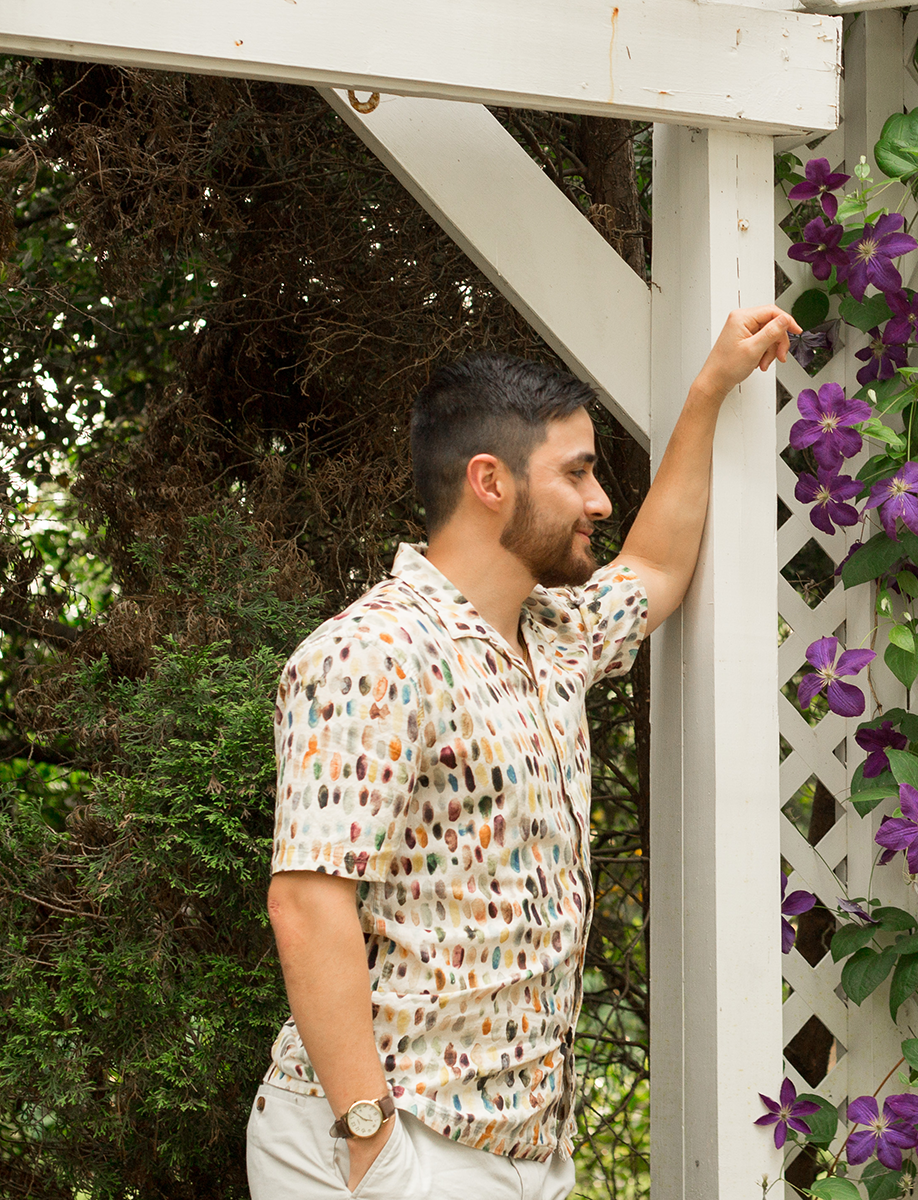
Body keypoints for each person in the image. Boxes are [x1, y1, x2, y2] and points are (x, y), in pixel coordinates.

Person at [245, 306, 800, 1198]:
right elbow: (307, 903)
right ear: (490, 482)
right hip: (398, 1144)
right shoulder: (372, 653)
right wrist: (371, 1145)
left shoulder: (554, 638)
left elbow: (655, 567)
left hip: (518, 1154)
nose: (600, 500)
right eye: (577, 473)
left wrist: (708, 394)